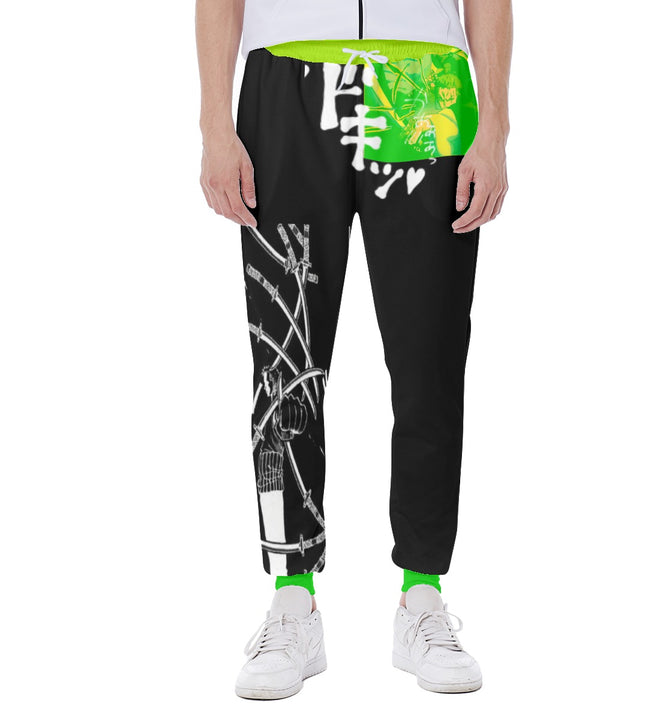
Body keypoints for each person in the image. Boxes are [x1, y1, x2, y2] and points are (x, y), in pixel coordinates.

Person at [195, 0, 512, 698]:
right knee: (285, 357)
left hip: (425, 88)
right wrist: (215, 123)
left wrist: (494, 126)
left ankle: (422, 597)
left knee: (429, 355)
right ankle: (293, 601)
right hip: (286, 80)